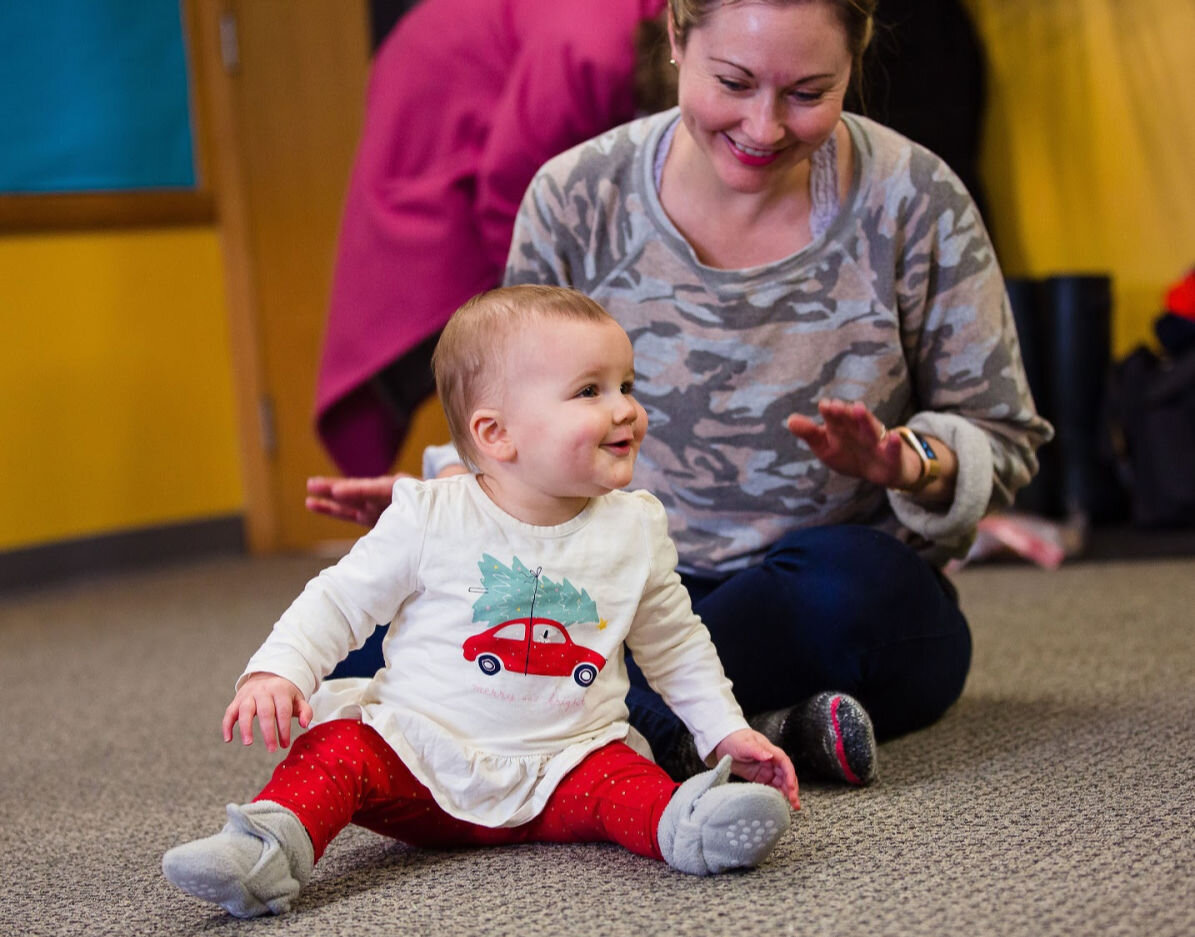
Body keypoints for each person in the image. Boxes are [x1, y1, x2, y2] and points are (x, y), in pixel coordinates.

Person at [308, 0, 1053, 787]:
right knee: (357, 634)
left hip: (823, 589)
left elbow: (1000, 430)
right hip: (613, 575)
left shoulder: (916, 198)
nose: (762, 128)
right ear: (674, 36)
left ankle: (567, 730)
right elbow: (521, 403)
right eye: (732, 82)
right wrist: (456, 499)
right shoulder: (573, 196)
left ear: (857, 58)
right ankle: (740, 731)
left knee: (852, 587)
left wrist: (908, 462)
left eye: (807, 93)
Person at [163, 286, 799, 919]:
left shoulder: (635, 529)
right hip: (423, 765)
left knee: (630, 786)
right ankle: (264, 851)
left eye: (626, 386)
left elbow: (677, 643)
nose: (626, 410)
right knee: (336, 751)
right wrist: (279, 669)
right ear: (496, 434)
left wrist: (725, 731)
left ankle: (691, 827)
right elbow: (339, 599)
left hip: (569, 768)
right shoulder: (430, 515)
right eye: (590, 391)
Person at [315, 0, 671, 477]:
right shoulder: (591, 50)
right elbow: (511, 193)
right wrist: (538, 308)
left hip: (504, 88)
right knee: (506, 351)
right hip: (447, 118)